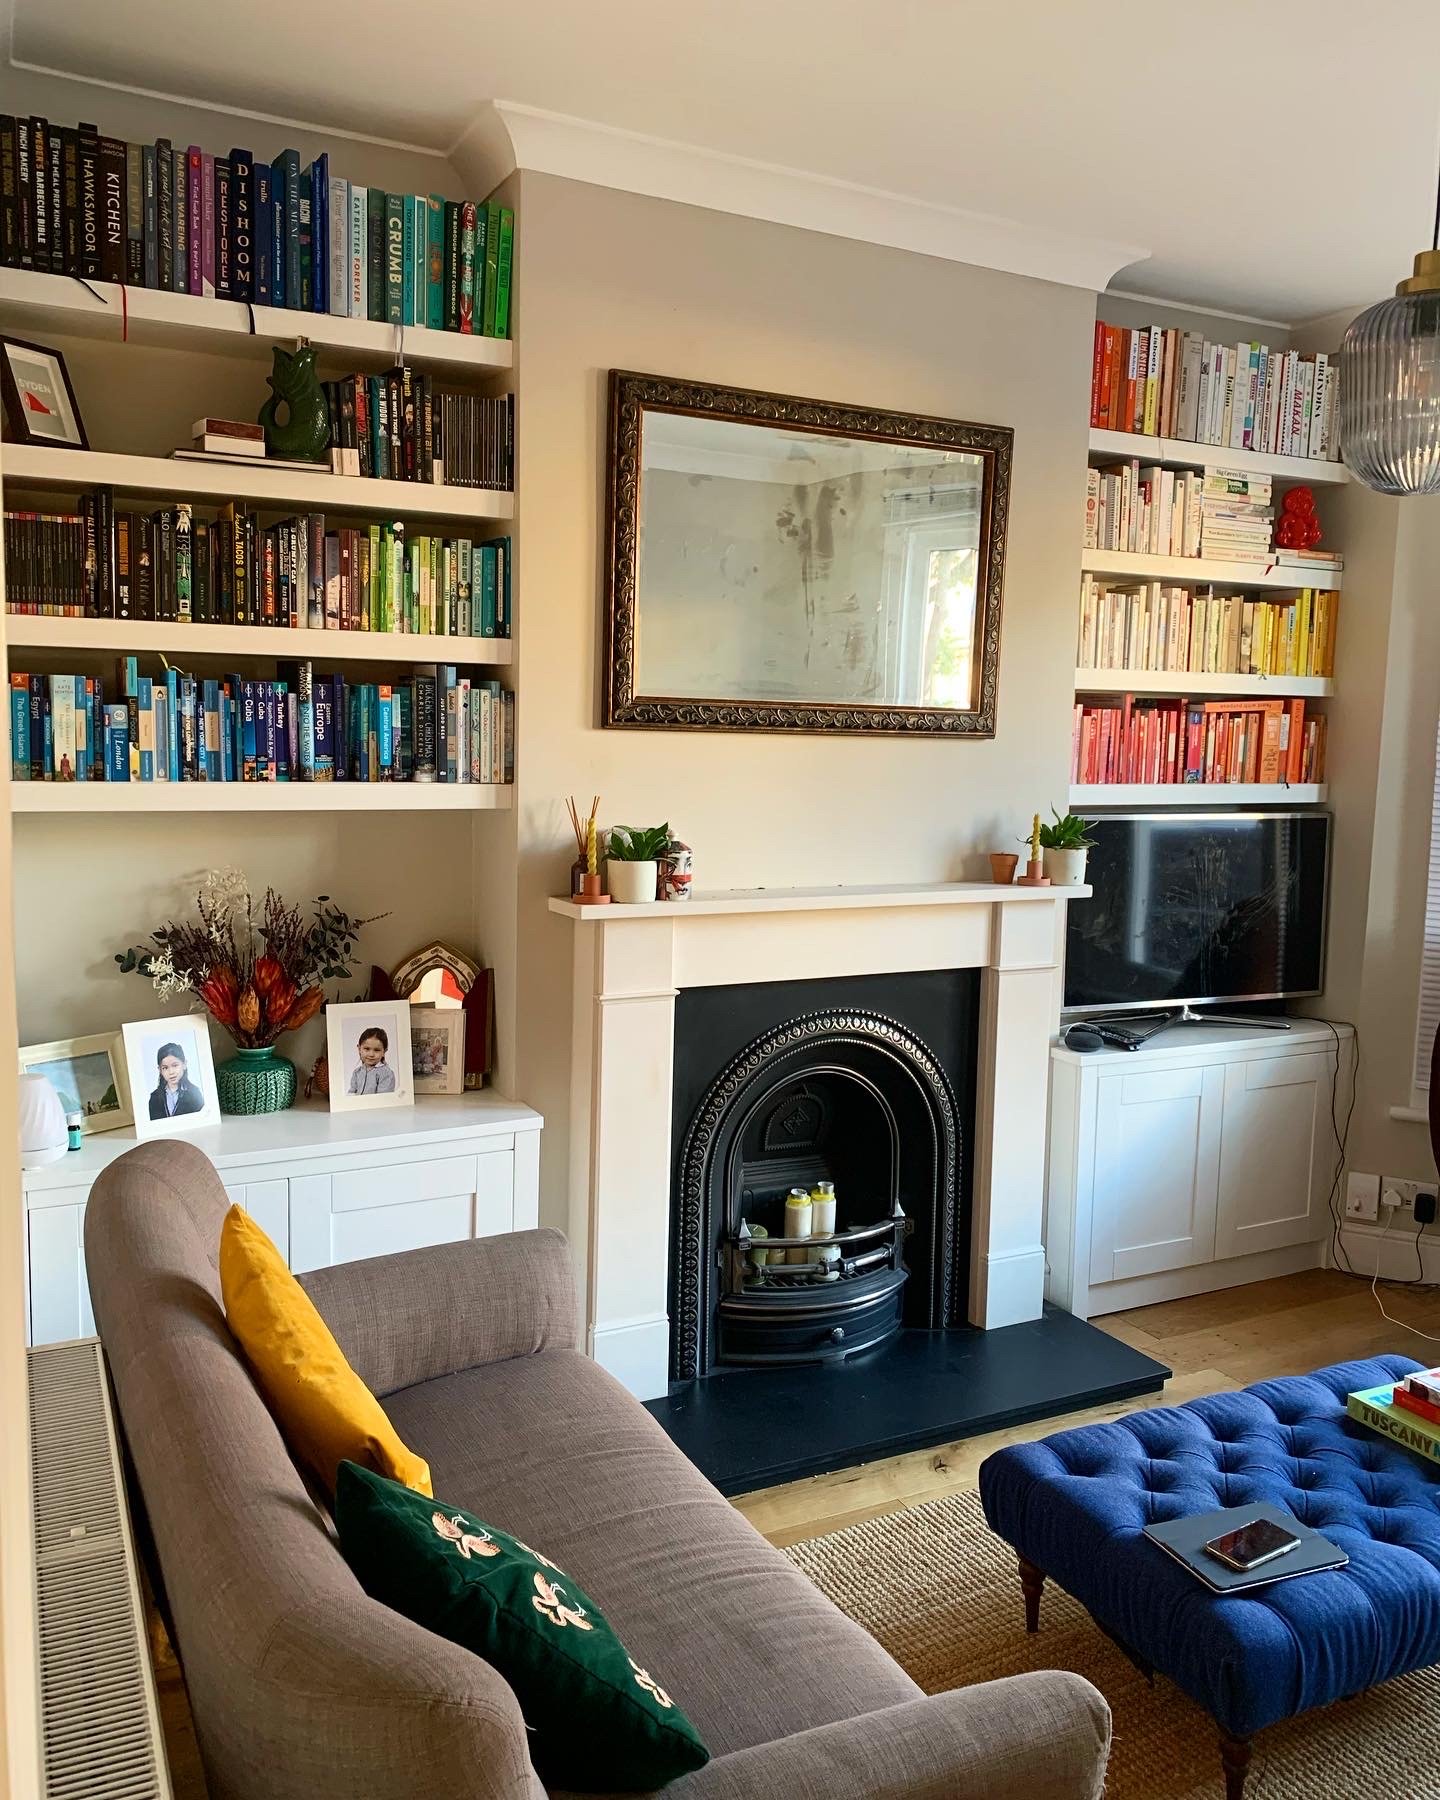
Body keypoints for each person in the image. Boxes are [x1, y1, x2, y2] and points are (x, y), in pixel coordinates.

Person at [148, 1041, 205, 1121]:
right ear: (160, 1070)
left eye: (175, 1065)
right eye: (165, 1068)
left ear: (184, 1064)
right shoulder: (154, 1097)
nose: (171, 1072)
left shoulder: (194, 1093)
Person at [348, 1026, 397, 1096]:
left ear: (384, 1052)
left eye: (377, 1050)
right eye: (367, 1049)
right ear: (359, 1049)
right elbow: (351, 1093)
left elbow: (383, 1099)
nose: (371, 1054)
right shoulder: (357, 1072)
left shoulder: (386, 1074)